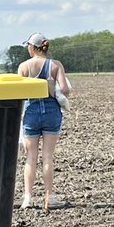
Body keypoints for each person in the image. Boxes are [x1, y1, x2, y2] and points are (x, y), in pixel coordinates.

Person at [18, 32, 72, 210]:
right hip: (51, 111)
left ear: (32, 47)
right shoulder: (55, 65)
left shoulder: (24, 67)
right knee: (48, 155)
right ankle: (49, 197)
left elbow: (20, 93)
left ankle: (28, 197)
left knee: (30, 157)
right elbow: (64, 89)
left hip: (31, 110)